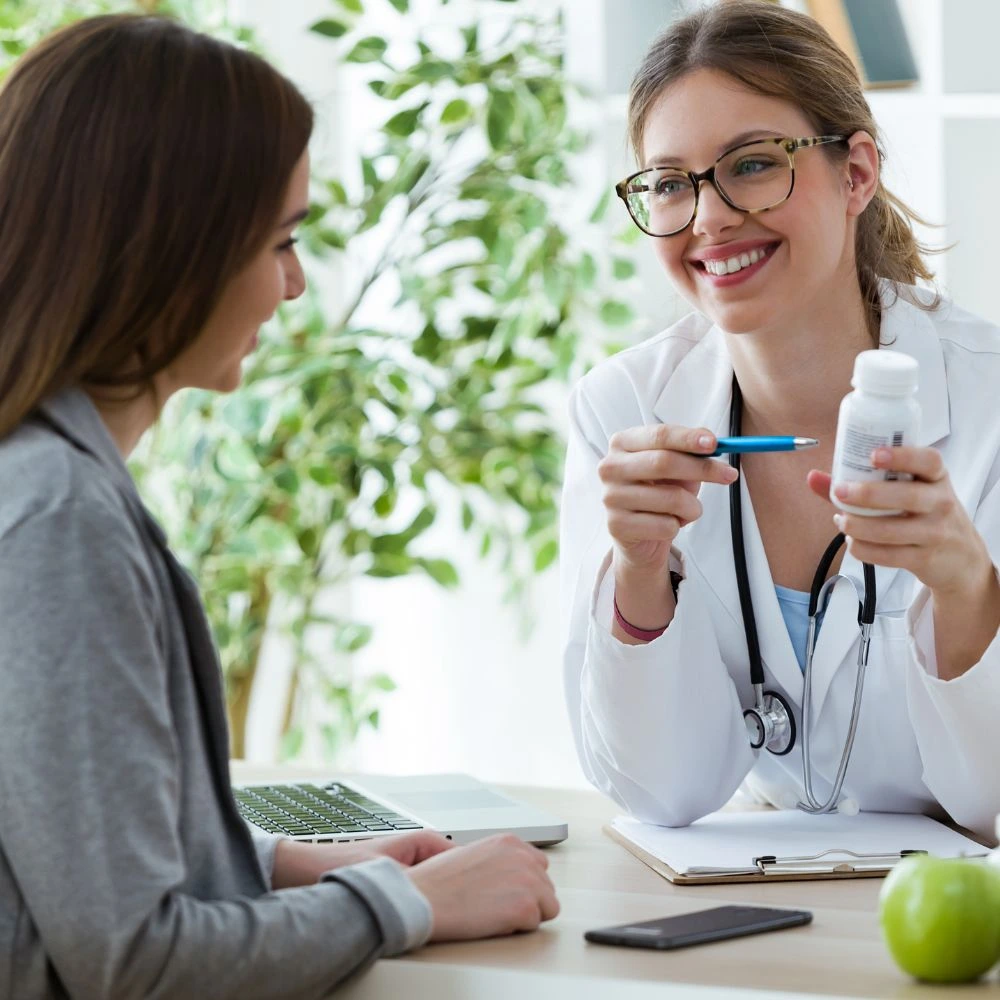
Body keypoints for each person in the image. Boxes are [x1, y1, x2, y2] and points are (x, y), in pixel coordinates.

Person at [0, 14, 558, 999]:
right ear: (171, 250)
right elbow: (133, 961)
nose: (294, 286)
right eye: (281, 241)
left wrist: (273, 863)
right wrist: (406, 901)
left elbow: (60, 836)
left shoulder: (48, 475)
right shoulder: (57, 515)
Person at [561, 0, 1000, 841]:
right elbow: (663, 793)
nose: (710, 216)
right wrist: (640, 574)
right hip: (755, 910)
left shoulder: (989, 405)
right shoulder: (622, 411)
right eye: (668, 182)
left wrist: (964, 588)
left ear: (856, 174)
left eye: (754, 165)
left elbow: (994, 802)